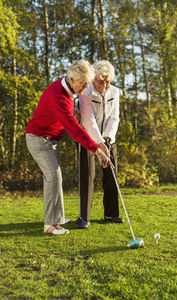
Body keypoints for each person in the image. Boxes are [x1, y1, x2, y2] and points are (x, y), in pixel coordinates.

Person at [26, 60, 112, 235]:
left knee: (53, 178)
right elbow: (74, 129)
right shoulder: (58, 95)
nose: (85, 87)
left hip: (52, 140)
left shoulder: (68, 88)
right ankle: (50, 224)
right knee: (54, 177)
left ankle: (57, 217)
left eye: (87, 83)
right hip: (38, 139)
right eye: (82, 84)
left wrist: (75, 111)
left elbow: (63, 111)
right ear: (72, 79)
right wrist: (96, 149)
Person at [75, 60, 124, 229]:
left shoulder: (115, 92)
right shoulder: (86, 92)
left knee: (111, 173)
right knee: (88, 175)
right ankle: (84, 218)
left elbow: (114, 117)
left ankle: (111, 214)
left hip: (109, 138)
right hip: (88, 138)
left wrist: (108, 139)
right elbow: (88, 121)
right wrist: (99, 143)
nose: (104, 85)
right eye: (100, 82)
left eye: (107, 82)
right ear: (93, 79)